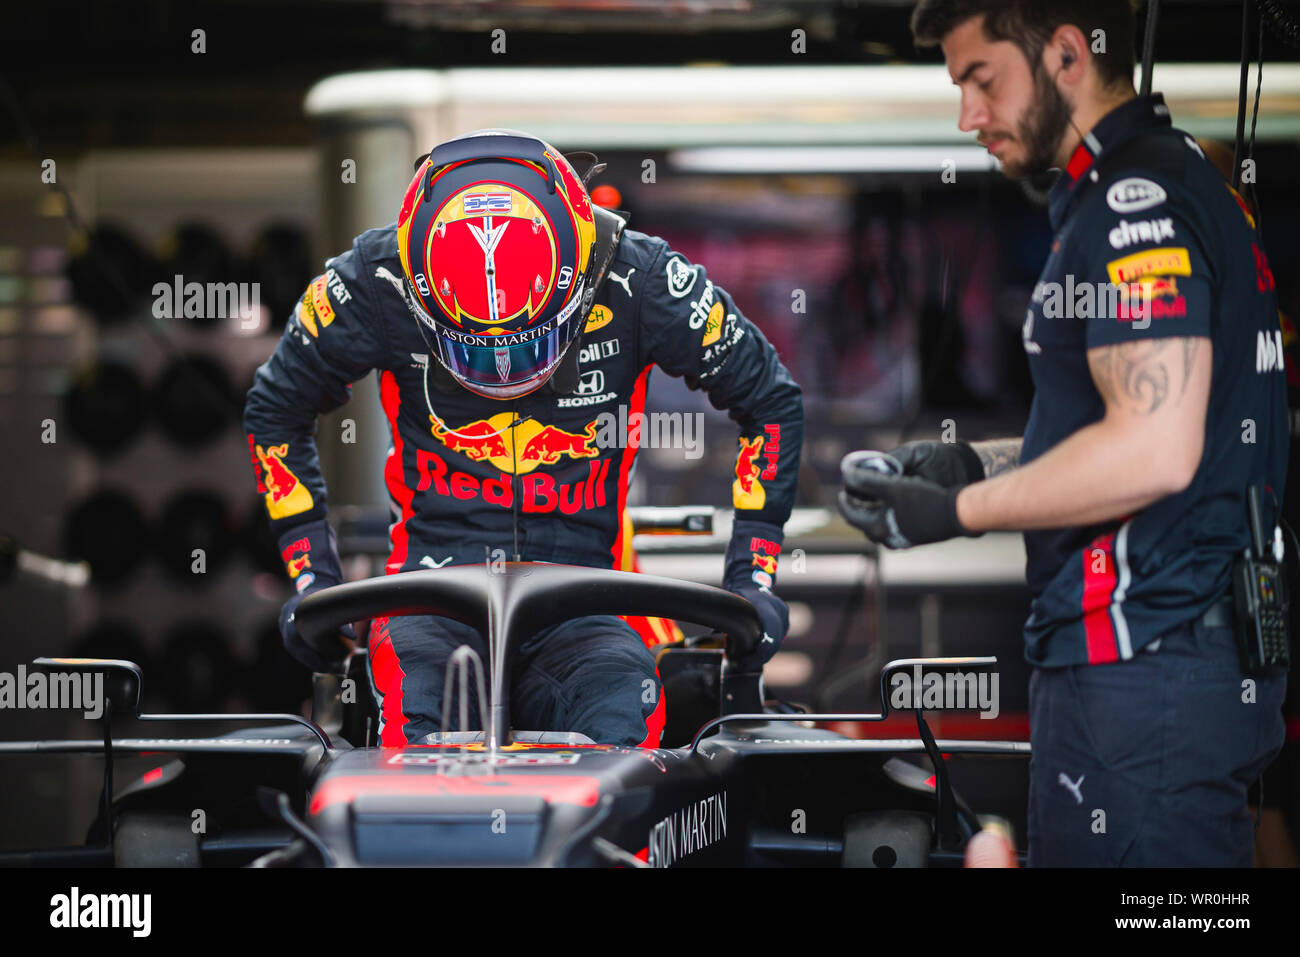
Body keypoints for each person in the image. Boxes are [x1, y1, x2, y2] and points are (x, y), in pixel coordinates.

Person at [839, 0, 1288, 865]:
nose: (968, 116)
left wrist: (961, 509)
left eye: (982, 79)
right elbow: (1117, 425)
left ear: (1069, 55)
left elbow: (1153, 448)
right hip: (1167, 667)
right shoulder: (1153, 184)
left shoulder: (1133, 200)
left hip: (1144, 666)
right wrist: (964, 462)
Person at [245, 129, 803, 748]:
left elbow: (770, 399)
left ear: (576, 274)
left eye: (524, 346)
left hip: (588, 596)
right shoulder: (376, 279)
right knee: (417, 724)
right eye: (477, 352)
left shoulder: (640, 275)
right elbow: (276, 407)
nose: (506, 375)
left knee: (626, 718)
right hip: (433, 592)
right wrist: (311, 576)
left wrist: (753, 575)